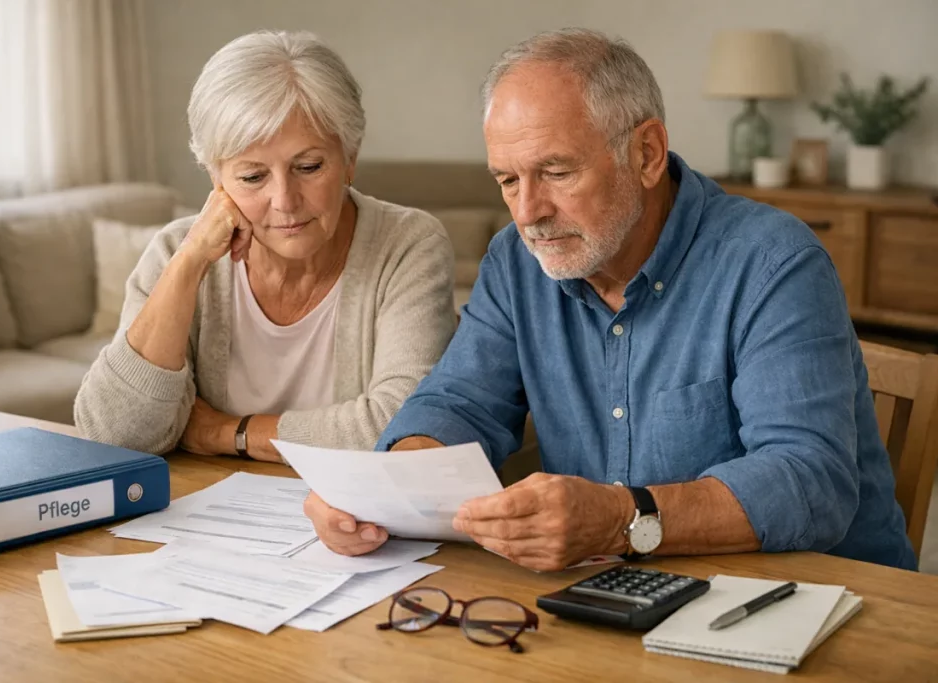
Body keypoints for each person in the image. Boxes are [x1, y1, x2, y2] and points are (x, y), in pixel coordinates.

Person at [304, 28, 917, 571]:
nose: (527, 213)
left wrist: (622, 519)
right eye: (508, 179)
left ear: (646, 154)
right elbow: (461, 403)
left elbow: (809, 479)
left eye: (556, 172)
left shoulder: (773, 261)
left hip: (826, 599)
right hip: (632, 593)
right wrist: (384, 489)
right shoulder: (516, 263)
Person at [75, 31, 456, 461]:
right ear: (216, 180)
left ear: (349, 158)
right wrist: (189, 262)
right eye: (253, 177)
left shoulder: (407, 246)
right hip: (205, 513)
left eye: (309, 167)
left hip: (352, 522)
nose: (285, 201)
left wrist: (227, 433)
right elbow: (111, 436)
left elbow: (402, 427)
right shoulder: (175, 251)